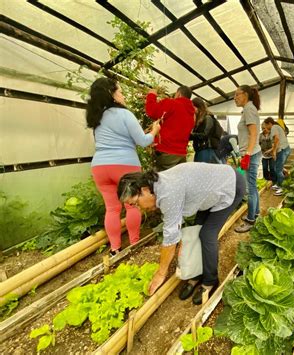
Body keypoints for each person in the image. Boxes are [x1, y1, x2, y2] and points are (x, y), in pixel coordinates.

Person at [117, 163, 245, 304]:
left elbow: (170, 238)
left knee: (207, 234)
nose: (138, 207)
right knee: (196, 230)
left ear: (145, 190)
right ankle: (197, 273)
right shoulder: (157, 186)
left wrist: (161, 273)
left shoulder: (167, 192)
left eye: (135, 203)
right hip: (209, 190)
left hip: (229, 185)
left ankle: (210, 281)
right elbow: (175, 228)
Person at [86, 77, 161, 255]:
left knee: (112, 208)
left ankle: (115, 249)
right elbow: (143, 142)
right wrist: (154, 132)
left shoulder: (96, 117)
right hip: (124, 164)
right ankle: (134, 243)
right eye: (119, 91)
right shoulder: (124, 114)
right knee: (132, 205)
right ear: (111, 94)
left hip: (100, 166)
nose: (122, 95)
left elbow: (112, 139)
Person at [145, 86, 195, 171]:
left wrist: (151, 95)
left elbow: (152, 111)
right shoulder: (192, 113)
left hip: (167, 152)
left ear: (178, 94)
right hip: (181, 154)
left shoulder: (172, 104)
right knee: (176, 181)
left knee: (162, 181)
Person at [233, 85, 262, 233]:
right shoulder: (248, 109)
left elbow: (254, 133)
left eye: (237, 94)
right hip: (252, 152)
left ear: (245, 95)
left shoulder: (249, 109)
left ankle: (251, 220)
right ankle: (256, 214)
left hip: (251, 153)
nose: (235, 98)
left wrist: (247, 154)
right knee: (253, 186)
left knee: (250, 188)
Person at [263, 117, 291, 196]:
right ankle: (279, 185)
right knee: (277, 168)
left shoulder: (274, 127)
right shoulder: (276, 127)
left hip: (283, 150)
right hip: (284, 149)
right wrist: (271, 150)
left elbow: (277, 140)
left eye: (265, 125)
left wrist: (274, 152)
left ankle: (282, 188)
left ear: (269, 124)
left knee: (278, 169)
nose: (265, 127)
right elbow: (277, 142)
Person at [189, 97, 220, 163]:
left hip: (205, 149)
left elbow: (205, 135)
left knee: (202, 171)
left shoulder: (208, 117)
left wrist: (190, 135)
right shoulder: (200, 119)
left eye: (192, 107)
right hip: (200, 149)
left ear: (198, 106)